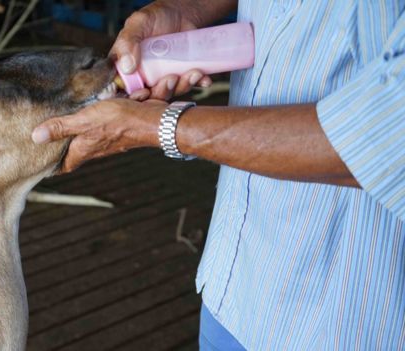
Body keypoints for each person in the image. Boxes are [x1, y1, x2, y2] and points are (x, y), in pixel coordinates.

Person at [32, 0, 405, 350]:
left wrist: (160, 127)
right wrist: (184, 8)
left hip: (341, 319)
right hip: (234, 283)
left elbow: (386, 138)